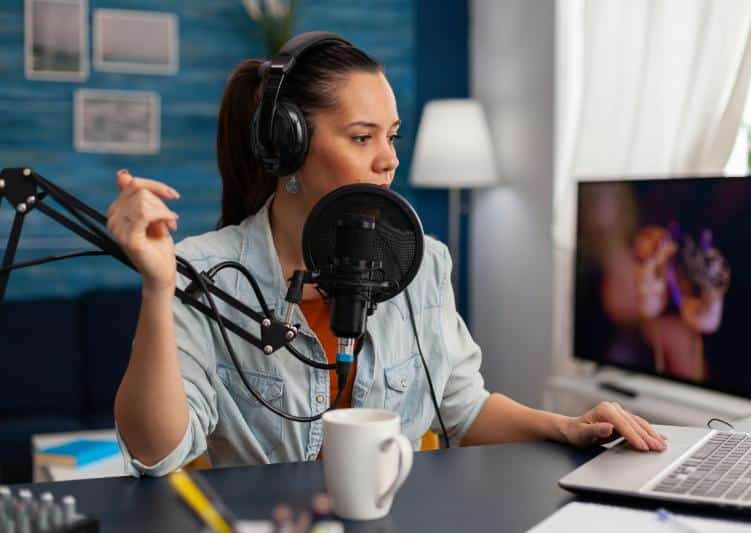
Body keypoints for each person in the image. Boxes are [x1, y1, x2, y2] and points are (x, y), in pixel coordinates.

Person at [107, 33, 666, 477]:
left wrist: (565, 427)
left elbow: (462, 406)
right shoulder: (205, 273)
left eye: (392, 137)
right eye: (361, 137)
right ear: (289, 145)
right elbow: (159, 453)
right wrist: (159, 288)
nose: (388, 161)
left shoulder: (425, 264)